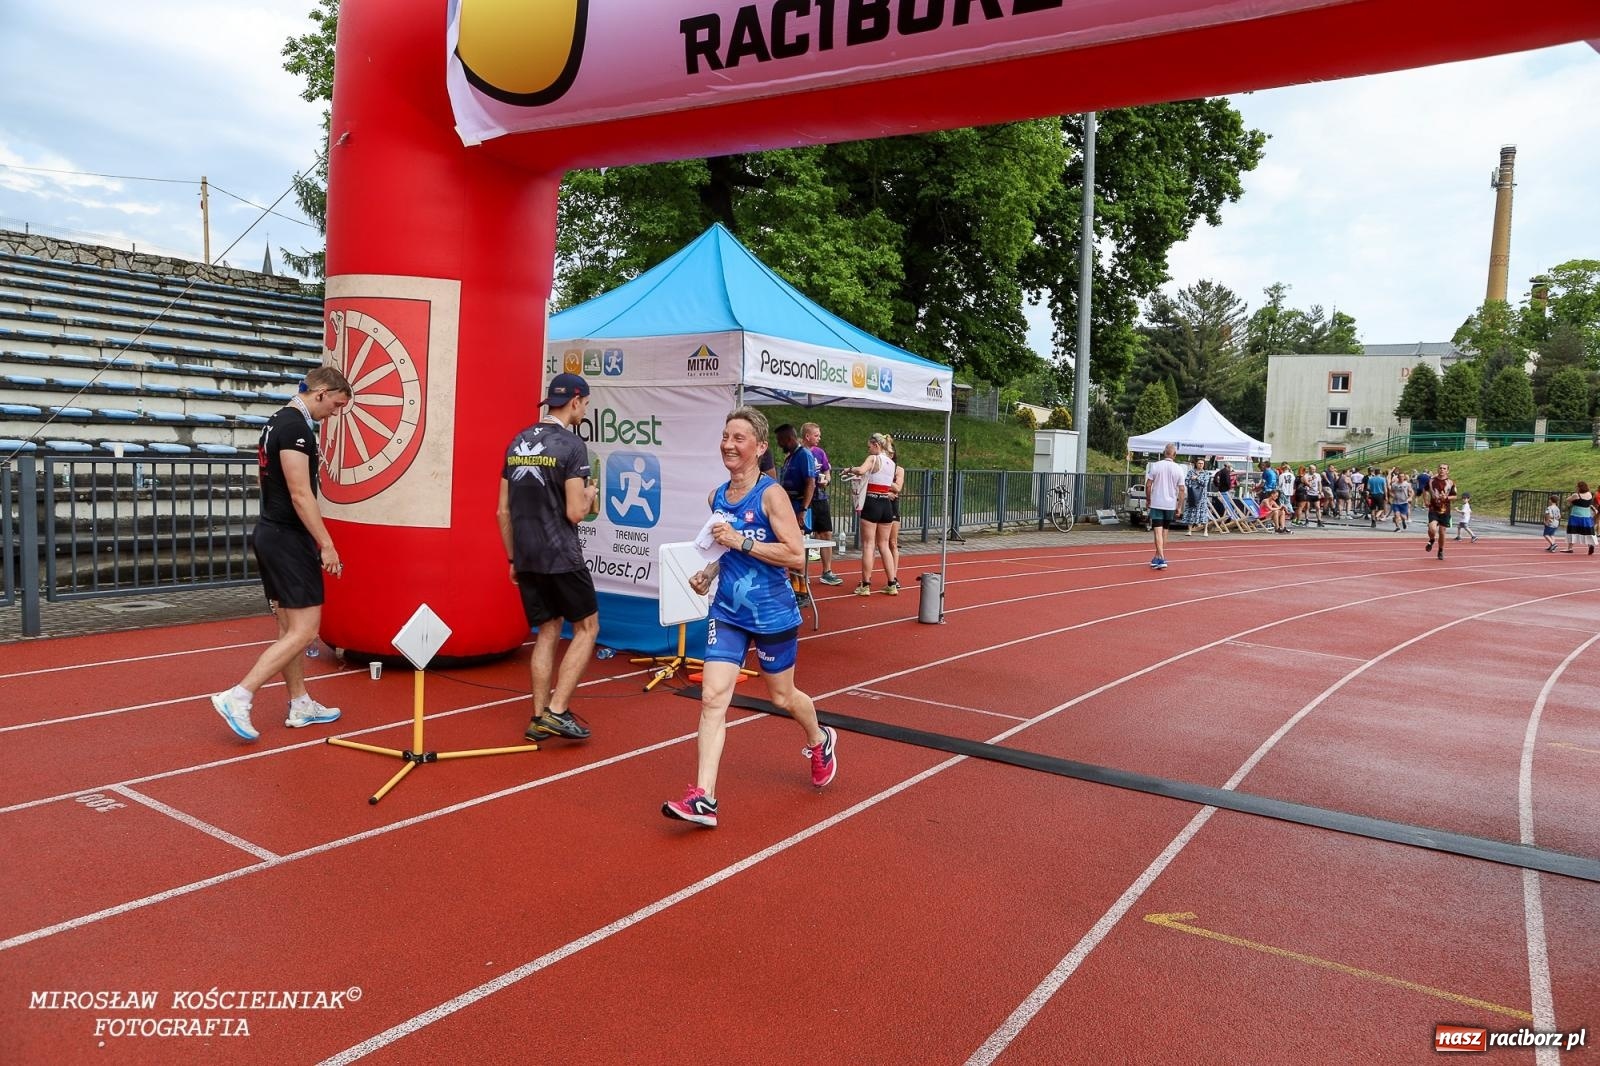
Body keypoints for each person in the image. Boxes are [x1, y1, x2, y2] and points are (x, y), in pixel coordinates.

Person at [662, 407, 837, 828]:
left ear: (759, 448)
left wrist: (741, 541)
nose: (728, 444)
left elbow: (795, 554)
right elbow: (723, 551)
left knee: (782, 697)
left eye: (739, 437)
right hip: (728, 613)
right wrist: (707, 572)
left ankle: (819, 739)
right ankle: (704, 797)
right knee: (711, 698)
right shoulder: (716, 496)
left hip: (773, 614)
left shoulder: (771, 494)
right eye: (725, 436)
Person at [210, 367, 353, 741]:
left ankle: (301, 702)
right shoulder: (295, 428)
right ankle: (238, 696)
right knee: (306, 631)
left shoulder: (276, 422)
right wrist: (327, 544)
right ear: (321, 392)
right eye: (336, 405)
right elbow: (300, 494)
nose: (335, 414)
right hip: (287, 539)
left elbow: (265, 481)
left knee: (289, 628)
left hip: (272, 532)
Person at [498, 372, 599, 742]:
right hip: (561, 554)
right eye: (585, 404)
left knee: (548, 631)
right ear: (575, 401)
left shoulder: (516, 441)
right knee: (588, 628)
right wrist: (589, 495)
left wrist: (513, 559)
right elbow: (575, 512)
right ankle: (557, 711)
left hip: (526, 556)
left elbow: (502, 513)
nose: (584, 410)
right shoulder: (572, 445)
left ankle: (539, 715)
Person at [846, 432, 899, 595]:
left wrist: (849, 469)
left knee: (869, 545)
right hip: (886, 504)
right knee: (884, 545)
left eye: (869, 447)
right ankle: (892, 583)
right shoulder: (891, 463)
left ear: (876, 445)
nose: (868, 450)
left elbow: (861, 471)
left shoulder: (873, 459)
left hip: (872, 502)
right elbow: (892, 485)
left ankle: (866, 584)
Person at [774, 423, 819, 607]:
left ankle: (802, 592)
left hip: (798, 507)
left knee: (796, 548)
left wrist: (804, 510)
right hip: (789, 506)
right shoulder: (790, 457)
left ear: (789, 439)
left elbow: (810, 483)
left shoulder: (804, 456)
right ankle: (795, 588)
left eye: (780, 441)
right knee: (789, 546)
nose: (779, 445)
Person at [802, 422, 843, 585]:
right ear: (807, 436)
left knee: (826, 533)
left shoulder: (820, 452)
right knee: (803, 535)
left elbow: (827, 470)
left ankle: (827, 571)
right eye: (816, 435)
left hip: (820, 498)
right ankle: (802, 573)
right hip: (804, 499)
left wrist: (826, 479)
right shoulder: (797, 453)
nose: (819, 438)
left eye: (819, 435)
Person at [1144, 443, 1186, 570]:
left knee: (1157, 530)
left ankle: (1161, 557)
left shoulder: (1156, 466)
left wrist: (1148, 498)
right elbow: (1182, 489)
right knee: (1165, 530)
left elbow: (1148, 484)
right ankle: (1158, 556)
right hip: (1170, 503)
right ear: (1175, 455)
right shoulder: (1179, 469)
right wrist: (1179, 506)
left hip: (1157, 502)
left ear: (1164, 453)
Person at [1422, 462, 1457, 560]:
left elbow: (1455, 496)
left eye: (1444, 468)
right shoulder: (1431, 481)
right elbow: (1424, 490)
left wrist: (1446, 497)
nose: (1442, 470)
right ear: (1438, 469)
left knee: (1442, 532)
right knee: (1432, 528)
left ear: (1447, 471)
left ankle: (1440, 550)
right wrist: (1425, 501)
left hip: (1445, 510)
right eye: (1440, 468)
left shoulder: (1450, 483)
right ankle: (1432, 539)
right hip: (1433, 508)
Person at [1181, 455, 1214, 536]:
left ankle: (1205, 531)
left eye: (1202, 463)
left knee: (1203, 513)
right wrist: (1190, 482)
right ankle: (1189, 530)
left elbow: (1205, 483)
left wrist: (1196, 479)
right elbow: (1186, 482)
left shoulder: (1206, 473)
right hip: (1192, 495)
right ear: (1196, 464)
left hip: (1202, 496)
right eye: (1199, 463)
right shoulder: (1191, 472)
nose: (1200, 465)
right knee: (1191, 511)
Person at [1561, 481, 1596, 555]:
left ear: (1579, 487)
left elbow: (1568, 499)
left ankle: (1570, 548)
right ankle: (1590, 545)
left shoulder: (1576, 495)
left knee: (1572, 531)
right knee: (1587, 532)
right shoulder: (1589, 494)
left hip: (1576, 515)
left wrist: (1574, 496)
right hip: (1586, 516)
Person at [1388, 467, 1412, 531]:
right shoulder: (1394, 484)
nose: (1401, 478)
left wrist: (1410, 497)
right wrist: (1392, 495)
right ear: (1398, 477)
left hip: (1404, 502)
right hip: (1396, 502)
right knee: (1396, 515)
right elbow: (1390, 491)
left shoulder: (1407, 484)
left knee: (1403, 517)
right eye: (1400, 476)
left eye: (1402, 477)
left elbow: (1411, 492)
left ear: (1404, 477)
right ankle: (1397, 527)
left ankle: (1403, 521)